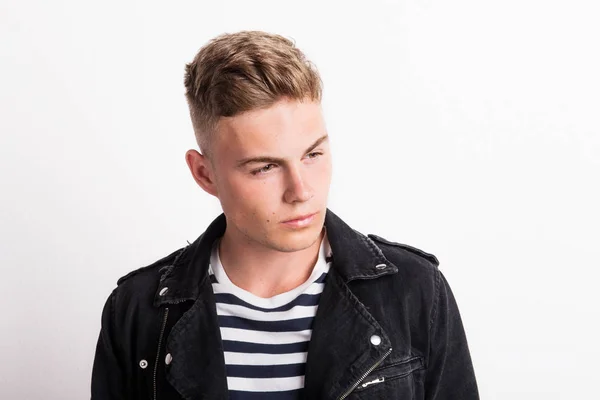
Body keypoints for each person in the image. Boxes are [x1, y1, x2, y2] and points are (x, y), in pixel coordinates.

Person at [91, 30, 479, 400]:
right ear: (204, 174)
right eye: (264, 168)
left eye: (313, 154)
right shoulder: (138, 312)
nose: (302, 191)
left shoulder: (415, 291)